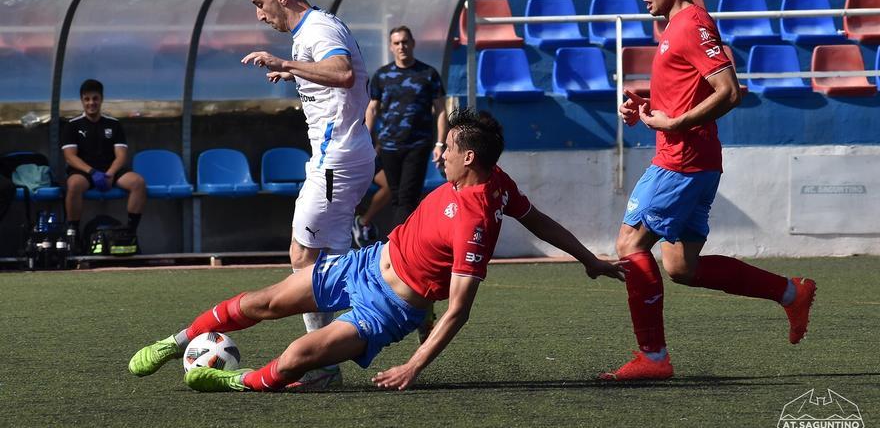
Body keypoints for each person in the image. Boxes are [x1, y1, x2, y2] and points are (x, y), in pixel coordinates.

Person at [128, 108, 627, 393]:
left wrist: (415, 365)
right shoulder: (496, 179)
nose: (441, 153)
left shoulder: (476, 218)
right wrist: (590, 260)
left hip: (389, 307)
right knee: (264, 301)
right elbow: (538, 218)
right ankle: (176, 341)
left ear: (467, 157)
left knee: (299, 355)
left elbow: (458, 310)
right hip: (365, 263)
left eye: (448, 148)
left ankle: (238, 383)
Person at [602, 0, 816, 381]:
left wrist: (676, 124)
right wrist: (643, 107)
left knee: (629, 245)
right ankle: (792, 293)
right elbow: (686, 95)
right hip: (694, 161)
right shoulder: (672, 27)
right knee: (682, 267)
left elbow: (730, 92)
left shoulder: (689, 25)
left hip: (681, 163)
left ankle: (654, 359)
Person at [240, 0, 376, 388]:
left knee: (305, 256)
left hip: (336, 158)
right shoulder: (309, 33)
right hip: (338, 157)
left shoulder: (318, 30)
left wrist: (288, 63)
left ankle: (324, 359)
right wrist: (291, 70)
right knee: (328, 258)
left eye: (261, 4)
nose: (260, 14)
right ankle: (330, 355)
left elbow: (343, 72)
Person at [361, 26, 448, 239]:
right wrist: (366, 139)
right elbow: (372, 108)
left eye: (405, 42)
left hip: (418, 145)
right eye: (397, 43)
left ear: (413, 43)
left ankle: (397, 244)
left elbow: (440, 110)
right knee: (397, 197)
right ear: (391, 47)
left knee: (407, 196)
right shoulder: (382, 75)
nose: (402, 46)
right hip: (389, 146)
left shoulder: (428, 74)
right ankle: (405, 242)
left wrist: (440, 143)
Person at [61, 79, 146, 249]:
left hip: (110, 171)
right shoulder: (72, 125)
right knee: (73, 184)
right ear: (82, 101)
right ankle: (74, 234)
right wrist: (93, 172)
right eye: (87, 99)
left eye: (95, 98)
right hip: (85, 172)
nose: (91, 103)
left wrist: (110, 173)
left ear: (101, 99)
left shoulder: (113, 124)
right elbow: (70, 157)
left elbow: (121, 156)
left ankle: (129, 233)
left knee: (138, 183)